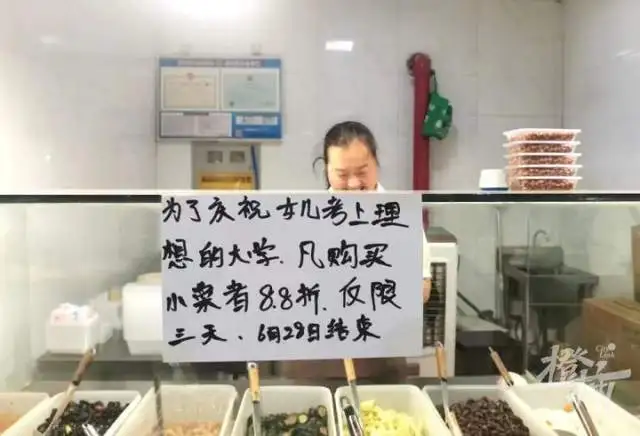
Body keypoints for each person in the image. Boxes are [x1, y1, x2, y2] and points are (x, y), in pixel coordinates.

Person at [280, 120, 432, 381]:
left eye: (362, 171)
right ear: (326, 170)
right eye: (342, 174)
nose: (353, 184)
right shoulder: (305, 216)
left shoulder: (399, 215)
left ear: (376, 164)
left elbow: (423, 289)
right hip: (316, 358)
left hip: (380, 356)